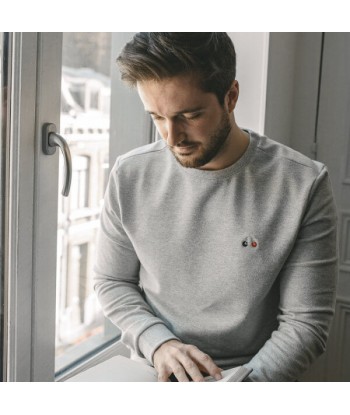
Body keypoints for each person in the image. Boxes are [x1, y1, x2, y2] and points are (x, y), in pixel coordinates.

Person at [93, 32, 338, 382]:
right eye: (157, 117)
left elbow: (306, 323)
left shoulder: (303, 184)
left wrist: (236, 389)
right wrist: (158, 343)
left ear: (231, 96)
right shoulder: (129, 174)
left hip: (253, 376)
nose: (171, 137)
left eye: (189, 115)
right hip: (154, 369)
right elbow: (112, 280)